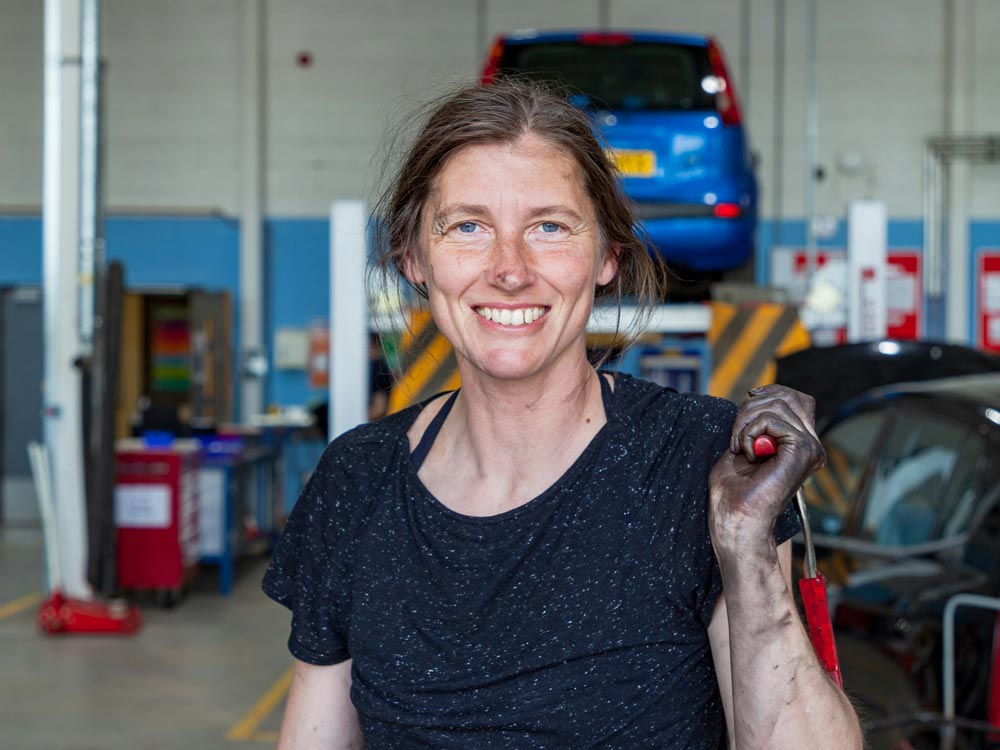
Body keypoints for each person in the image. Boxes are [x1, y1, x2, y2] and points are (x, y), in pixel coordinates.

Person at [263, 80, 862, 750]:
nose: (510, 269)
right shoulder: (358, 478)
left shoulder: (697, 460)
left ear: (606, 255)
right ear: (414, 257)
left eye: (549, 226)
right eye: (468, 227)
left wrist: (747, 549)